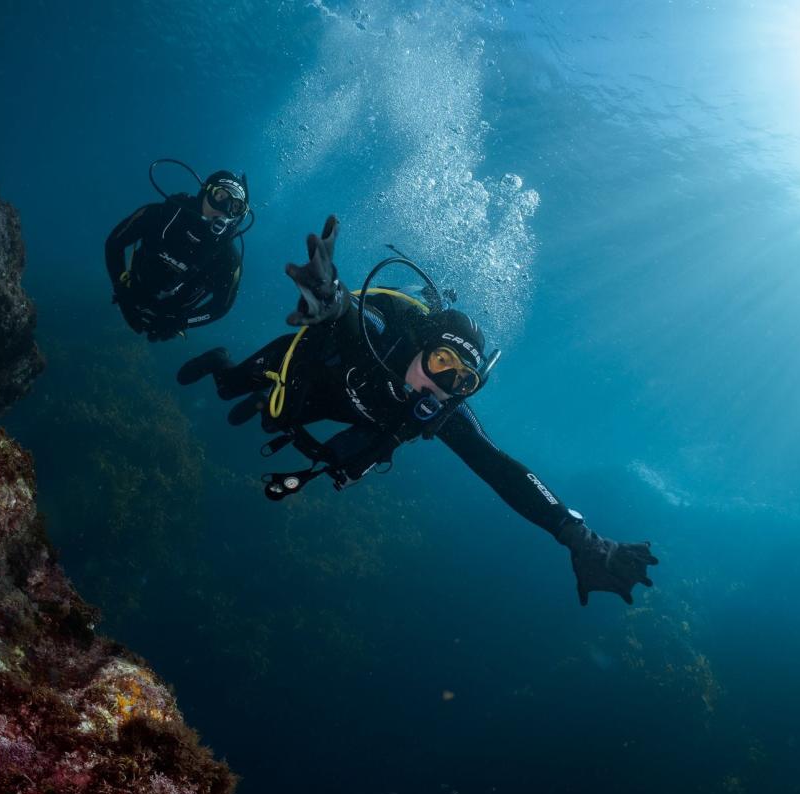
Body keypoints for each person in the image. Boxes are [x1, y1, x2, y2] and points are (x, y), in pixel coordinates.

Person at [177, 215, 658, 606]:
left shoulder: (442, 410)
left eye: (460, 382)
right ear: (420, 348)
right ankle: (226, 366)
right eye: (440, 363)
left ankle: (265, 405)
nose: (440, 384)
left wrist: (578, 536)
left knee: (272, 419)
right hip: (312, 372)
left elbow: (498, 467)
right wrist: (331, 297)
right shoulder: (381, 338)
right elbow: (351, 313)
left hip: (344, 411)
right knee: (233, 392)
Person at [104, 170, 248, 341]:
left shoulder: (228, 258)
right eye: (220, 196)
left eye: (235, 206)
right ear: (205, 192)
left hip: (171, 314)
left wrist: (181, 322)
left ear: (238, 216)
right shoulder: (160, 215)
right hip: (134, 288)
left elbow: (221, 306)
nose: (223, 209)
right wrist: (121, 289)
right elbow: (115, 244)